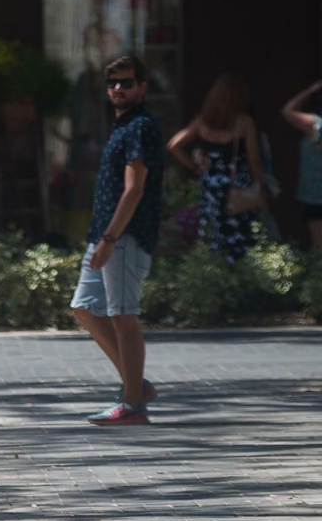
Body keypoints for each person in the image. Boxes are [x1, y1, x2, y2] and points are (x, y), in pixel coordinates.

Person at [70, 55, 165, 426]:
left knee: (124, 316)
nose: (119, 89)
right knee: (84, 307)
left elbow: (135, 188)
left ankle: (132, 404)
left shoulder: (140, 126)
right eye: (114, 83)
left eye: (127, 82)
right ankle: (135, 385)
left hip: (122, 236)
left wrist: (111, 238)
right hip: (105, 236)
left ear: (142, 87)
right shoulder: (123, 126)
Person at [167, 74, 264, 263]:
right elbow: (254, 160)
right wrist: (261, 184)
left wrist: (194, 166)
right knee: (241, 234)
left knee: (213, 232)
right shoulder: (244, 122)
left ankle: (214, 274)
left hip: (210, 183)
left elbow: (173, 145)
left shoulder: (203, 120)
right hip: (237, 184)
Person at [281, 80, 322, 248]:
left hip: (315, 194)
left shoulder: (316, 124)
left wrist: (310, 90)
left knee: (319, 245)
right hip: (315, 192)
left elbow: (287, 111)